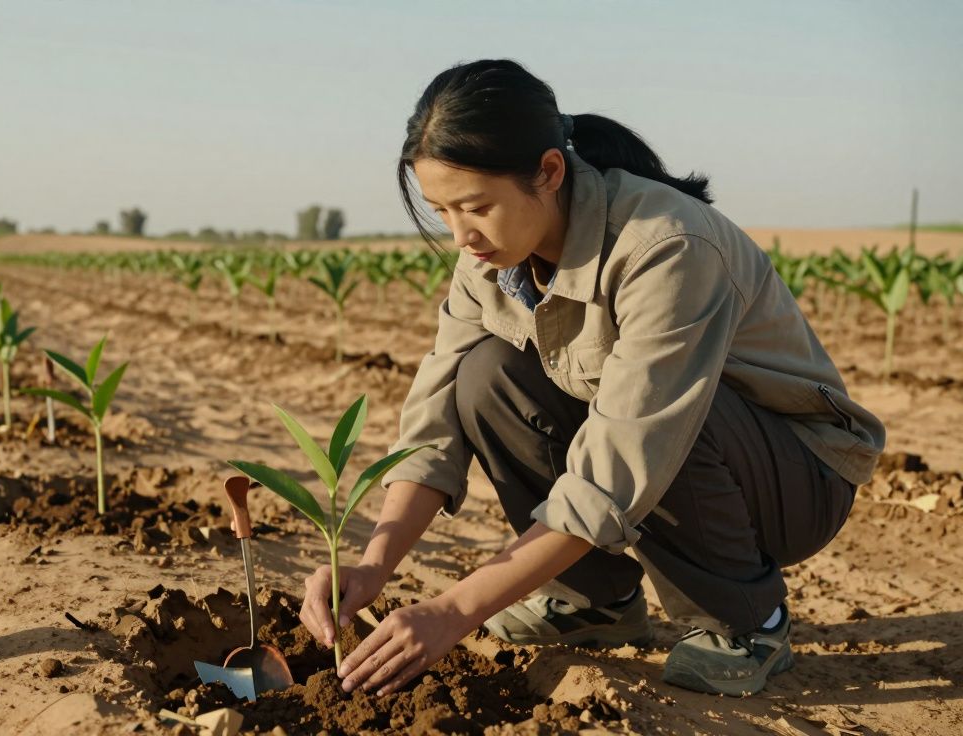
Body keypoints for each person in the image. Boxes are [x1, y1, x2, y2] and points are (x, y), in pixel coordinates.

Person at [297, 59, 885, 698]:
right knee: (484, 377)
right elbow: (433, 421)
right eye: (441, 211)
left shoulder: (666, 244)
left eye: (475, 207)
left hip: (792, 476)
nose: (461, 236)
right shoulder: (489, 257)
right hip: (669, 447)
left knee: (669, 414)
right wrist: (373, 565)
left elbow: (627, 455)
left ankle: (746, 621)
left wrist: (455, 610)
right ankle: (592, 604)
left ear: (548, 173)